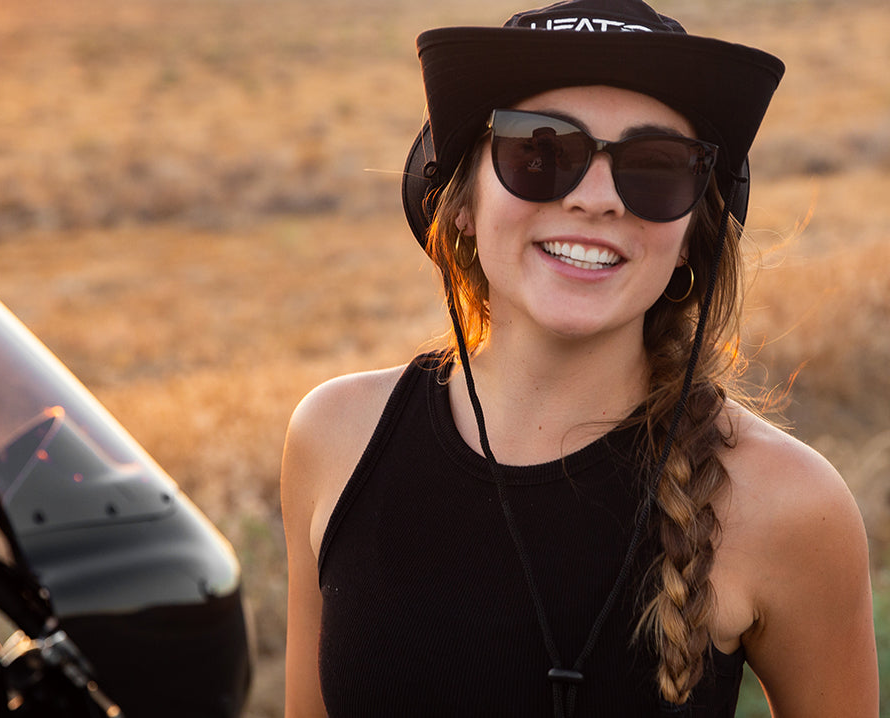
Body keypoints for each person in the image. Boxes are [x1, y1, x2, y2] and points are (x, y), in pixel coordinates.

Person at [280, 1, 878, 716]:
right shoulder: (337, 440)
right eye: (539, 152)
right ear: (461, 202)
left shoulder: (789, 505)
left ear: (690, 236)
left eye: (655, 167)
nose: (596, 200)